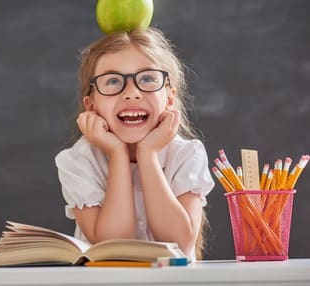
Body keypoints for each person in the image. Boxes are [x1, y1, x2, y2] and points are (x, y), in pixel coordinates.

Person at [55, 27, 215, 260]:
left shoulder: (186, 154)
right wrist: (117, 154)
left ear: (169, 98)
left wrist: (147, 155)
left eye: (148, 78)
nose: (131, 93)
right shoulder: (78, 161)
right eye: (112, 81)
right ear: (91, 105)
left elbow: (179, 247)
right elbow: (113, 247)